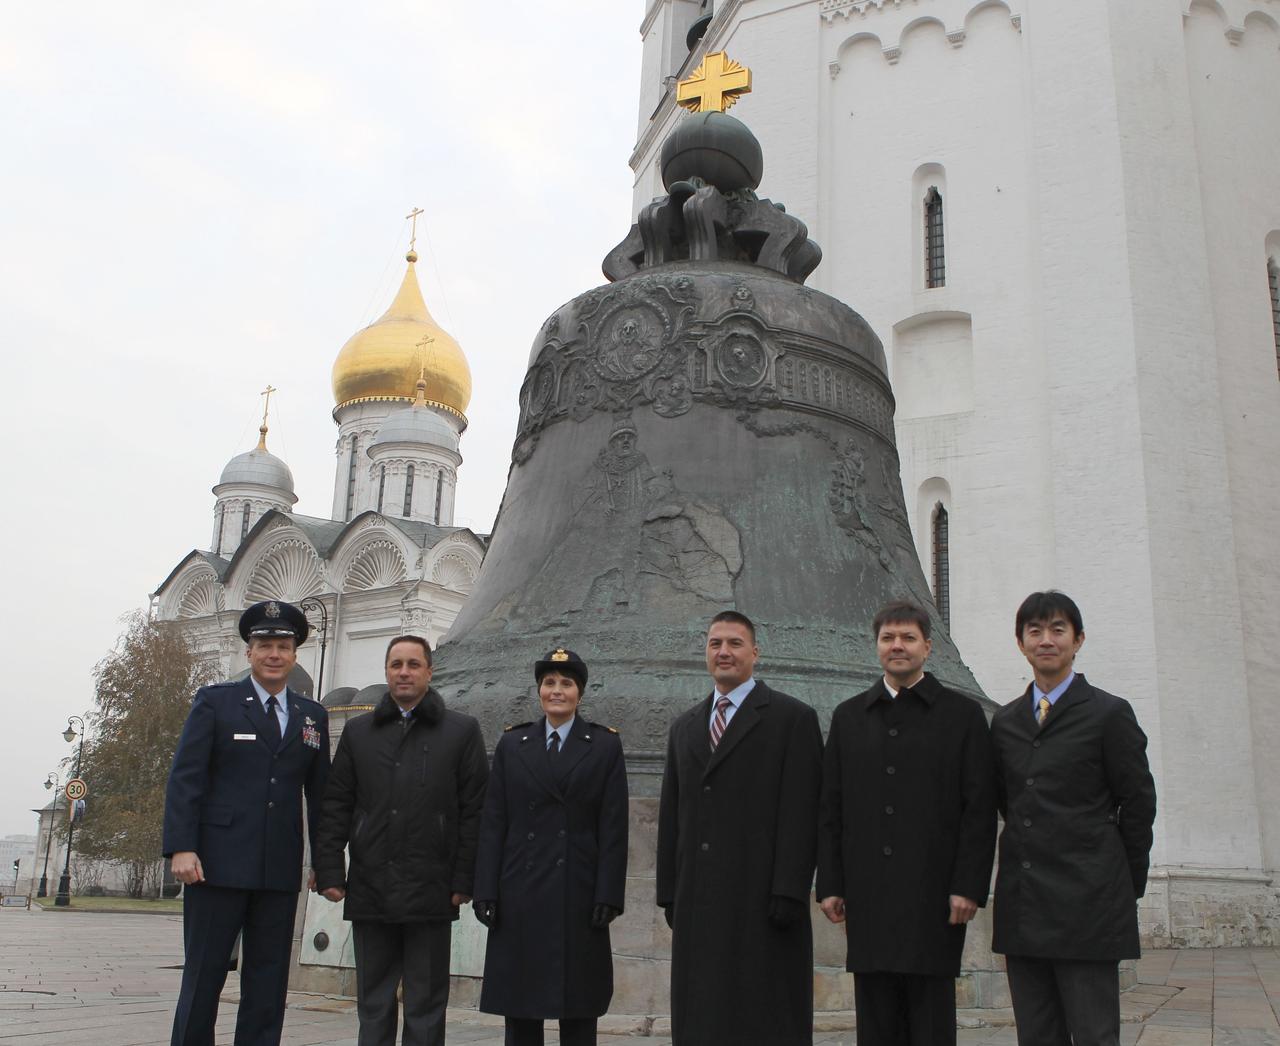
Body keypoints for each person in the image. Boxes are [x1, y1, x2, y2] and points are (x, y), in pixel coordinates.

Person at [816, 601, 997, 1046]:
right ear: (877, 646)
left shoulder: (962, 716)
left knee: (930, 1020)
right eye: (888, 638)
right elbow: (831, 807)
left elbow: (978, 808)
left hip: (934, 897)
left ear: (928, 647)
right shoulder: (849, 716)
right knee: (875, 1023)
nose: (898, 646)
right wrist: (831, 883)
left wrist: (969, 885)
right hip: (868, 895)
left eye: (908, 637)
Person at [990, 591, 1157, 1046]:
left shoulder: (1108, 714)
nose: (1047, 640)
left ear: (1078, 640)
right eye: (1035, 631)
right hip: (1026, 903)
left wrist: (1123, 881)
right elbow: (1011, 802)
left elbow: (1138, 803)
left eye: (1058, 629)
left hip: (1089, 904)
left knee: (1093, 1035)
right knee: (1037, 1036)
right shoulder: (1005, 723)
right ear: (1021, 643)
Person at [163, 599, 330, 1046]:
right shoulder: (216, 703)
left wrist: (327, 863)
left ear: (296, 655)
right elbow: (186, 778)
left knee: (268, 980)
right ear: (249, 653)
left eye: (283, 646)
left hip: (277, 868)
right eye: (264, 645)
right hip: (214, 866)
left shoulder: (312, 715)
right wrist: (181, 846)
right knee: (205, 974)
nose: (274, 654)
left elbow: (321, 794)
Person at [656, 610, 823, 1046]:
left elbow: (802, 810)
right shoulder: (685, 728)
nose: (724, 652)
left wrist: (789, 888)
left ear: (755, 652)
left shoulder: (792, 719)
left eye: (734, 644)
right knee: (703, 1018)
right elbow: (674, 814)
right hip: (699, 900)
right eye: (715, 644)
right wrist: (670, 892)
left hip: (762, 898)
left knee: (762, 1017)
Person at [313, 635, 489, 1046]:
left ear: (430, 670)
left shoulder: (460, 730)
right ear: (387, 672)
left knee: (426, 1002)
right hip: (372, 883)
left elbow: (474, 809)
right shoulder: (359, 733)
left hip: (432, 887)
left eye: (413, 664)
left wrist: (465, 879)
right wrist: (329, 870)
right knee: (373, 1001)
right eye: (396, 665)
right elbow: (337, 804)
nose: (404, 672)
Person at [472, 648, 628, 1046]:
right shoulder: (513, 744)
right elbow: (494, 822)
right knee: (521, 1011)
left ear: (580, 693)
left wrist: (608, 893)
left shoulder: (604, 746)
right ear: (539, 690)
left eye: (566, 684)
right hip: (520, 892)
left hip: (577, 893)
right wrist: (485, 888)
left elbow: (613, 828)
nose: (557, 691)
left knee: (578, 1010)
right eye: (549, 683)